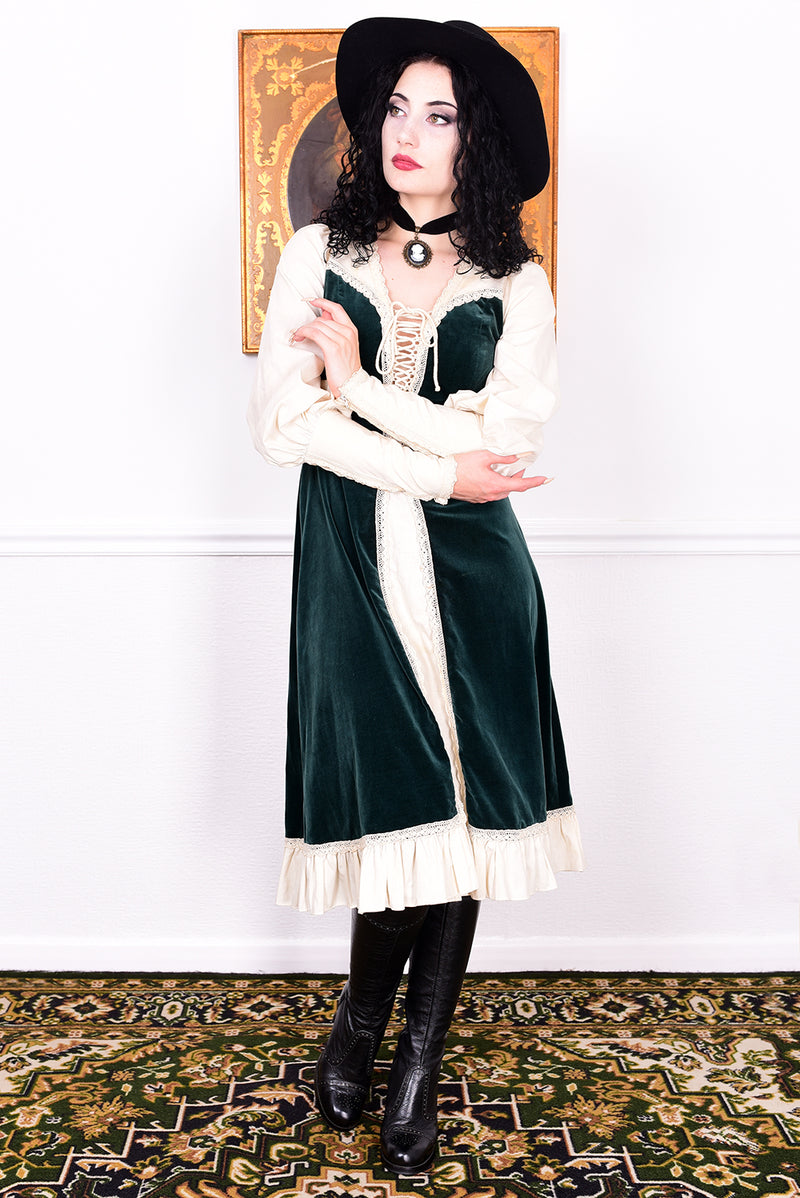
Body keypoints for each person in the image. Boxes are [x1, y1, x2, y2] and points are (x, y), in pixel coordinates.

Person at [248, 17, 585, 1175]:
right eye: (395, 107)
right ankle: (357, 1013)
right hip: (350, 564)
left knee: (461, 823)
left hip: (478, 581)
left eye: (436, 114)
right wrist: (436, 464)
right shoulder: (315, 254)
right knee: (395, 802)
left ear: (472, 137)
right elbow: (280, 427)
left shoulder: (517, 282)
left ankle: (413, 1062)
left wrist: (360, 389)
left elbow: (509, 442)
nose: (407, 133)